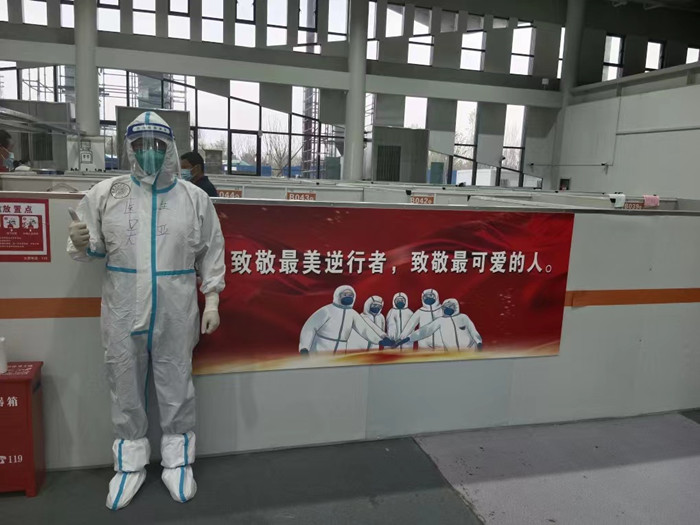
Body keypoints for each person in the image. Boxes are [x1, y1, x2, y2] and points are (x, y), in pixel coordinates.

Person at [67, 111, 226, 510]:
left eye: (157, 144)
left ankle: (178, 460)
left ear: (170, 147)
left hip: (176, 307)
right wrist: (82, 242)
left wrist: (213, 298)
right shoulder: (107, 193)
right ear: (129, 147)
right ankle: (129, 464)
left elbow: (212, 251)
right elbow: (90, 248)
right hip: (122, 305)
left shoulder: (194, 198)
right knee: (123, 382)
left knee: (177, 381)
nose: (149, 152)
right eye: (140, 144)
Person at [299, 286, 394, 354]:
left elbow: (365, 329)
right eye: (345, 294)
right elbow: (309, 327)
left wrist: (379, 340)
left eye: (351, 295)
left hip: (340, 350)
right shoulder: (326, 310)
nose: (348, 297)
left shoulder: (352, 314)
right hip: (321, 349)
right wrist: (304, 347)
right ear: (338, 296)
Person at [398, 298, 482, 352]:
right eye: (445, 307)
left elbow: (472, 330)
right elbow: (425, 330)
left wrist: (479, 342)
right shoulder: (440, 321)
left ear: (456, 307)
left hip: (470, 350)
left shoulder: (463, 317)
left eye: (451, 306)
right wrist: (408, 338)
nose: (448, 308)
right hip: (452, 354)